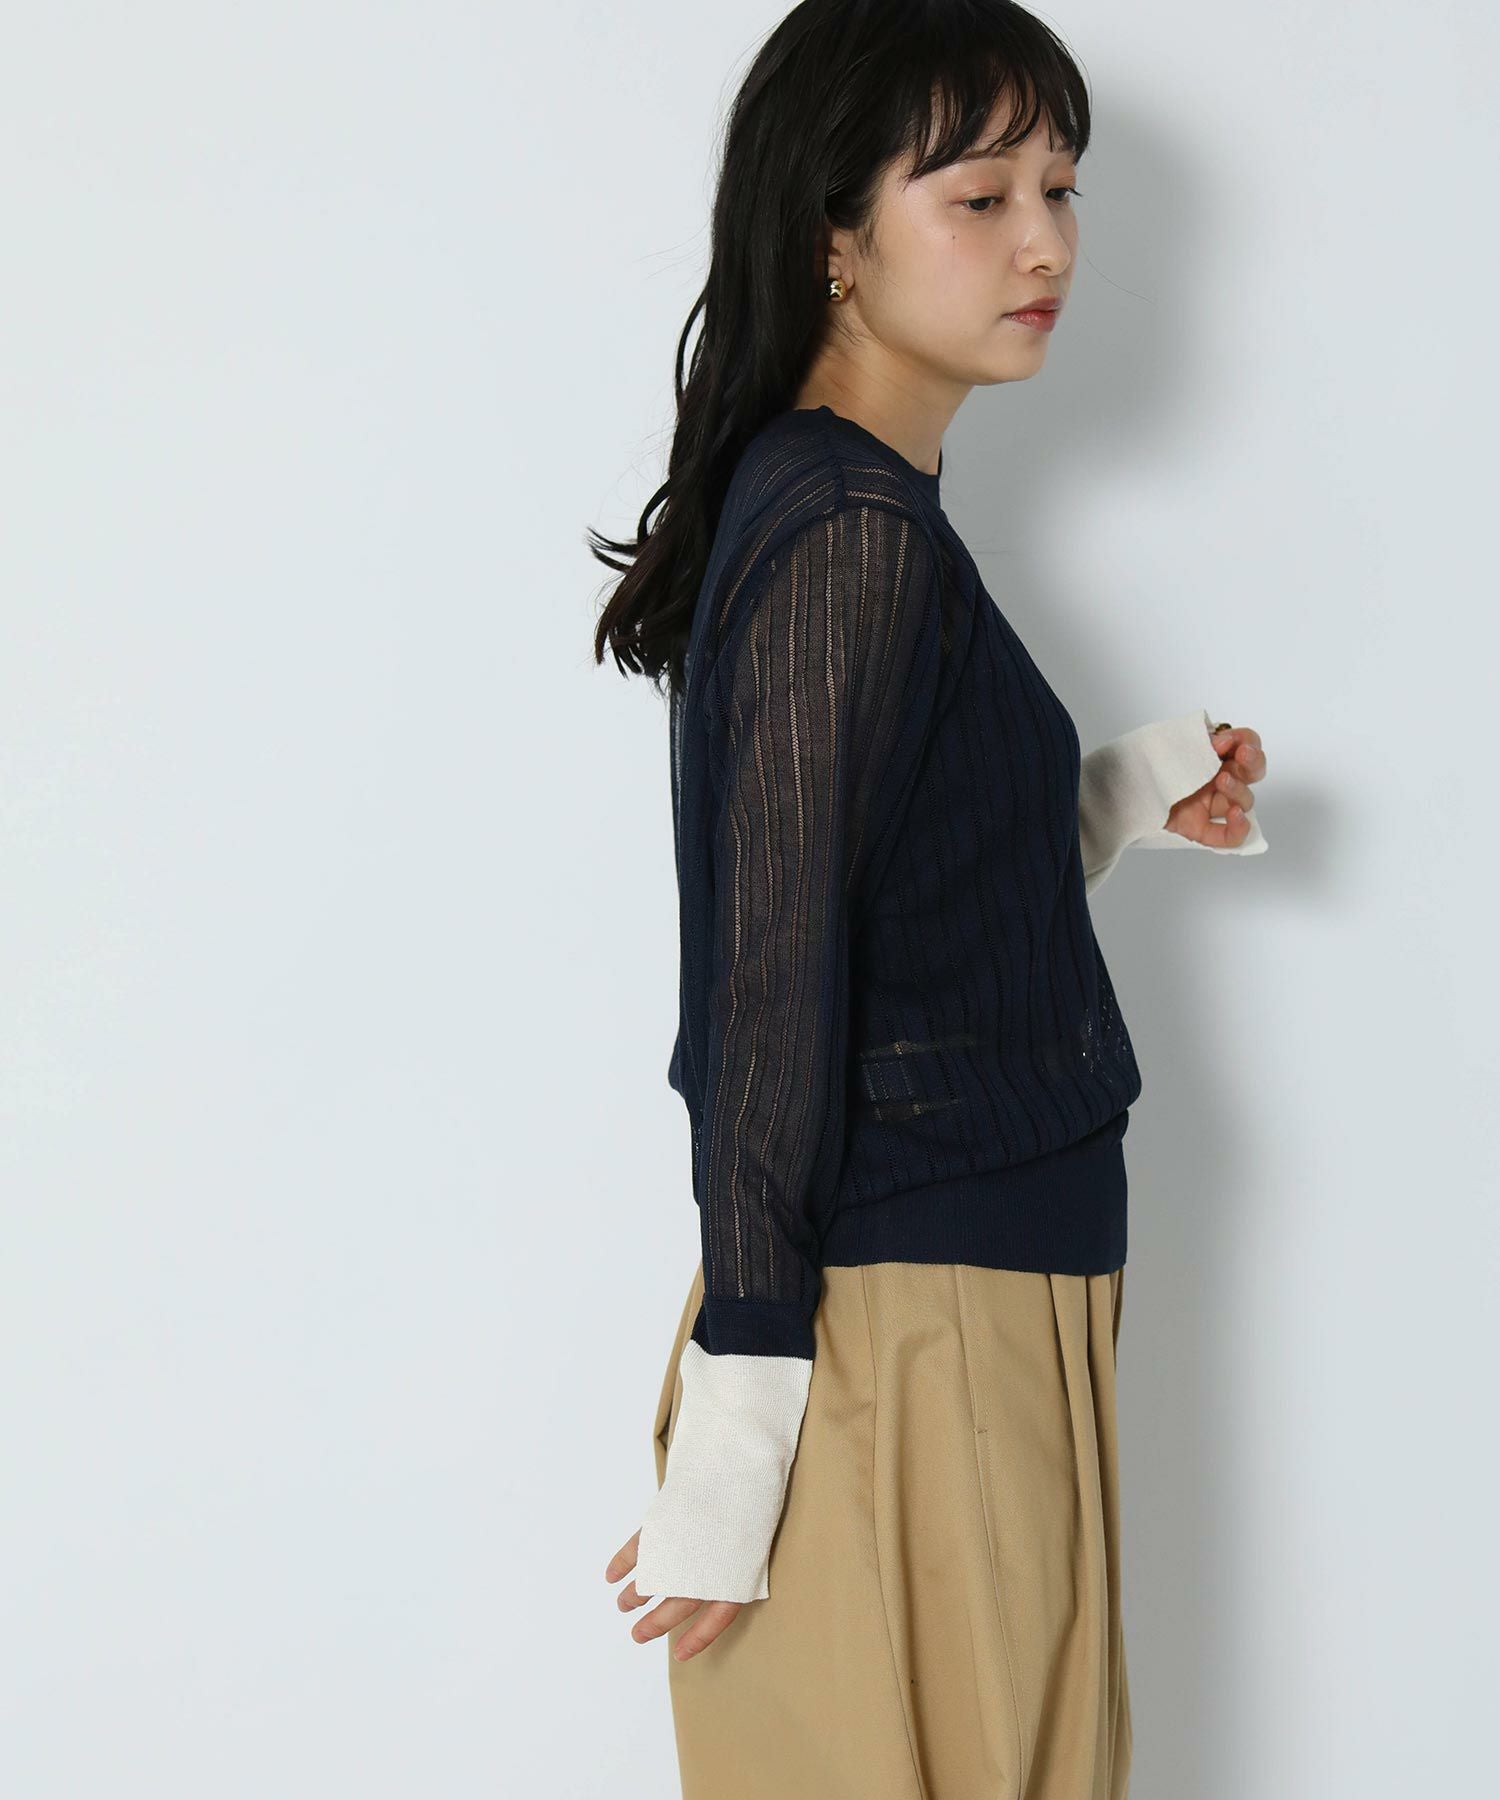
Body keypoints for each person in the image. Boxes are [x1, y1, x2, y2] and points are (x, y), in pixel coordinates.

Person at [589, 3, 1268, 1795]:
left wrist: (1113, 795)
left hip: (956, 1303)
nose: (1046, 243)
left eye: (1061, 187)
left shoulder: (851, 508)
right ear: (833, 231)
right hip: (911, 1326)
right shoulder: (850, 533)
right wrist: (742, 1422)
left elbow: (880, 876)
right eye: (979, 197)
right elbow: (770, 983)